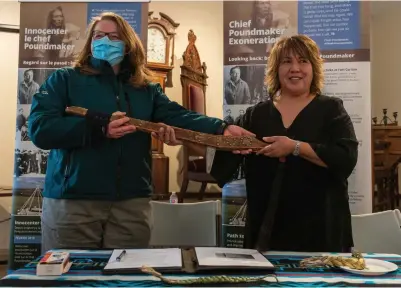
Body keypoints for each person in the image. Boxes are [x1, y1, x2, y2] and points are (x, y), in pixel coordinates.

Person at [28, 12, 251, 253]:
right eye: (99, 35)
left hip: (131, 203)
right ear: (90, 42)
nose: (105, 41)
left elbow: (180, 116)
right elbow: (40, 129)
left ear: (127, 46)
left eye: (114, 36)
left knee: (127, 278)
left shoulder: (146, 89)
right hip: (73, 202)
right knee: (73, 278)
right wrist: (98, 127)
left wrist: (222, 128)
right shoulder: (64, 80)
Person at [173, 34, 359, 252]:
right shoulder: (256, 115)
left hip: (322, 227)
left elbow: (345, 158)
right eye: (286, 62)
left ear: (314, 68)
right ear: (276, 69)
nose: (295, 68)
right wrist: (182, 139)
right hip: (269, 228)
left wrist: (294, 147)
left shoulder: (332, 109)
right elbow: (224, 156)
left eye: (303, 61)